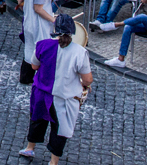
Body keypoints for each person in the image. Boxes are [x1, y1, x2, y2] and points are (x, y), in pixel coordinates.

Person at [19, 14, 93, 164]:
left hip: (41, 93)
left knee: (37, 120)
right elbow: (87, 79)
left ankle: (29, 148)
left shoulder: (42, 44)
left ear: (55, 29)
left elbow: (34, 66)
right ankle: (53, 162)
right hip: (64, 97)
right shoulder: (80, 52)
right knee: (60, 129)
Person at [21, 0, 56, 85]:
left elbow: (21, 0)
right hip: (38, 26)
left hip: (29, 24)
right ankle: (40, 80)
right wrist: (53, 20)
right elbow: (38, 9)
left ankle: (25, 77)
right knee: (40, 52)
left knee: (29, 50)